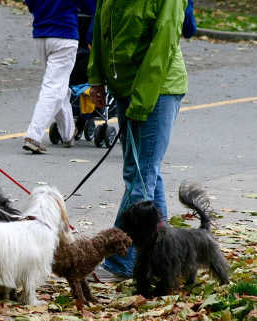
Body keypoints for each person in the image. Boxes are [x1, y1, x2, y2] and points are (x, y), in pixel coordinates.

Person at [88, 0, 188, 280]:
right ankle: (166, 257)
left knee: (141, 176)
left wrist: (141, 101)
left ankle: (121, 262)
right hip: (124, 88)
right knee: (143, 175)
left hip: (159, 90)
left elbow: (162, 47)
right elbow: (100, 29)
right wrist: (96, 78)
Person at [22, 0, 96, 154]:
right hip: (65, 35)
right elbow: (92, 7)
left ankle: (68, 134)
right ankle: (33, 136)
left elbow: (30, 4)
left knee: (59, 87)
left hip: (40, 35)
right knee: (54, 88)